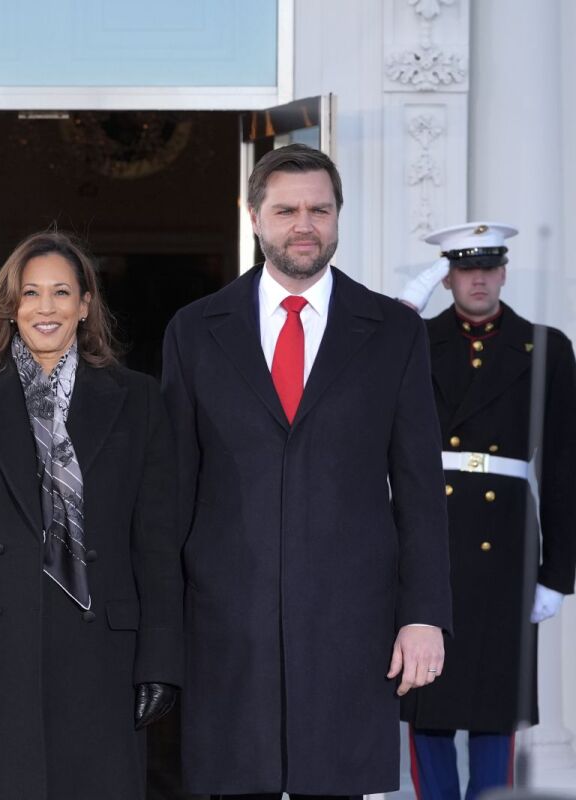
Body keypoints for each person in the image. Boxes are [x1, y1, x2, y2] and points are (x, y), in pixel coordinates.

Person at [161, 143, 452, 799]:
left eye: (319, 209)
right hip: (226, 625)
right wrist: (162, 626)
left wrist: (424, 614)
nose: (304, 225)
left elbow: (418, 491)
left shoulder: (394, 334)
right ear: (255, 217)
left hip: (353, 627)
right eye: (286, 209)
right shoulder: (193, 330)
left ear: (338, 216)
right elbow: (173, 491)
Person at [0, 231, 182, 799]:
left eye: (61, 292)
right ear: (10, 305)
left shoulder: (137, 398)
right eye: (31, 293)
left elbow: (157, 545)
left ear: (85, 304)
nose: (46, 308)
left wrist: (161, 660)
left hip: (100, 657)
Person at [396, 222, 576, 800]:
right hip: (430, 537)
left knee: (496, 706)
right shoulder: (415, 341)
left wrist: (557, 572)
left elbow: (566, 466)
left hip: (506, 547)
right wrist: (402, 315)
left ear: (503, 272)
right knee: (430, 700)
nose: (478, 278)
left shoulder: (546, 347)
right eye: (465, 269)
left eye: (489, 267)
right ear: (447, 278)